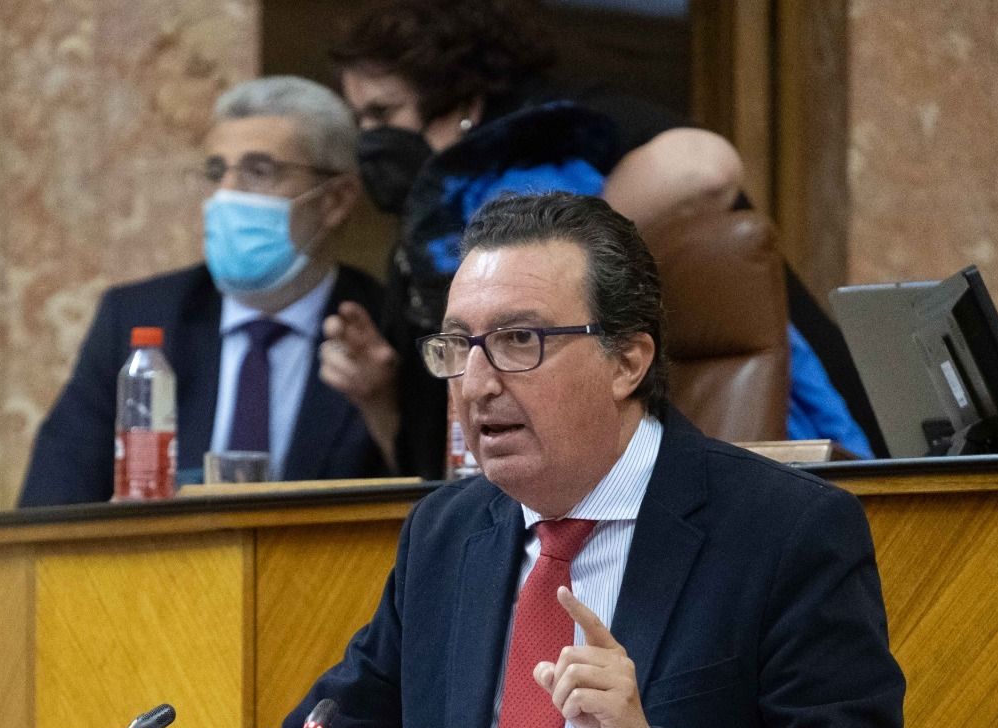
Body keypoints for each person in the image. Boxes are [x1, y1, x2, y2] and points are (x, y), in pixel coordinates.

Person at [94, 192, 916, 728]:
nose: (478, 383)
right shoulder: (449, 539)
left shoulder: (782, 534)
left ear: (627, 358)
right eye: (458, 348)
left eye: (521, 342)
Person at [316, 0, 877, 477]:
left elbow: (705, 164)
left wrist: (550, 251)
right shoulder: (428, 242)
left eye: (383, 113)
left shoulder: (560, 135)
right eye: (359, 121)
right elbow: (440, 464)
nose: (372, 139)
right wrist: (379, 394)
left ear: (461, 104)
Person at [18, 76, 390, 507]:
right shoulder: (139, 317)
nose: (225, 195)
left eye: (259, 171)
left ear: (336, 200)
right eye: (216, 173)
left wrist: (382, 405)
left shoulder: (385, 328)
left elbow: (437, 510)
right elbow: (50, 503)